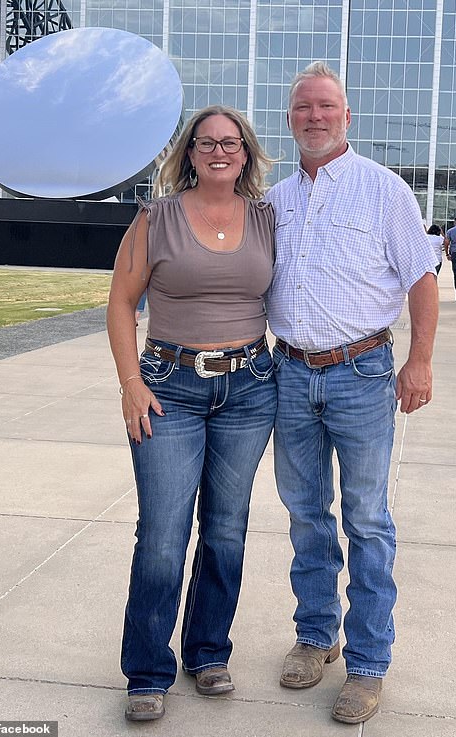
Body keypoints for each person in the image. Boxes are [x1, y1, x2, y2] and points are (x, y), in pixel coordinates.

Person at [264, 61, 439, 725]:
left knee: (366, 519)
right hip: (290, 372)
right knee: (306, 513)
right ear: (291, 120)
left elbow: (421, 282)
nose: (315, 116)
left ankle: (368, 663)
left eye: (326, 107)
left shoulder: (384, 190)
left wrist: (419, 361)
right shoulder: (274, 202)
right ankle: (316, 637)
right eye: (303, 107)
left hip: (363, 373)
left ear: (346, 116)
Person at [106, 105, 277, 722]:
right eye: (206, 143)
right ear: (189, 153)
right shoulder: (156, 218)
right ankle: (148, 668)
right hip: (168, 387)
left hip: (251, 387)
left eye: (230, 143)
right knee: (162, 534)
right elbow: (120, 303)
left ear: (246, 152)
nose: (219, 151)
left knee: (226, 529)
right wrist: (131, 384)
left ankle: (208, 651)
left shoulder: (266, 217)